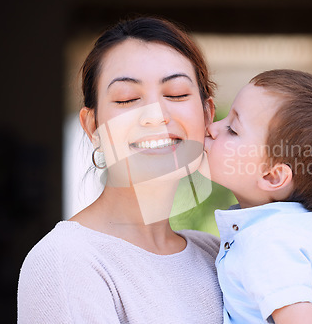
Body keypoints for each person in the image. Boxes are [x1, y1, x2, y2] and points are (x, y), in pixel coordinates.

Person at [17, 16, 223, 323]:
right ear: (93, 127)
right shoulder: (66, 261)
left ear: (207, 115)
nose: (156, 115)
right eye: (127, 99)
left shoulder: (217, 254)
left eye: (177, 93)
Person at [204, 69, 312, 324]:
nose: (213, 128)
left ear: (272, 176)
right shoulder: (286, 229)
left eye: (233, 130)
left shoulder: (269, 241)